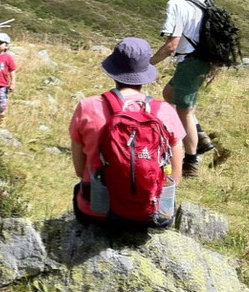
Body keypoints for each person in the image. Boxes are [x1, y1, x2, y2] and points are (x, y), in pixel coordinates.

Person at [70, 37, 185, 227]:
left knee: (79, 190)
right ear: (145, 73)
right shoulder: (164, 111)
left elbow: (80, 170)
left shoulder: (87, 107)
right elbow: (175, 179)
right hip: (154, 215)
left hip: (97, 212)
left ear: (113, 71)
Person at [149, 0, 216, 178]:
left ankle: (191, 161)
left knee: (184, 111)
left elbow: (172, 44)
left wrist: (148, 64)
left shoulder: (176, 4)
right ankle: (201, 138)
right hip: (204, 59)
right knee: (169, 93)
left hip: (190, 61)